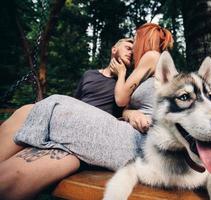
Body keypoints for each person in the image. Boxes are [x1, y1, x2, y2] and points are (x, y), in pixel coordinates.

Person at [0, 23, 173, 199]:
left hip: (138, 143)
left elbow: (121, 100)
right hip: (115, 136)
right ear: (114, 49)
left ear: (144, 39)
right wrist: (131, 114)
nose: (133, 46)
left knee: (47, 105)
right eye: (128, 44)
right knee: (13, 167)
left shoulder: (150, 58)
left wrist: (121, 74)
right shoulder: (102, 75)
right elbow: (127, 108)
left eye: (135, 40)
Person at [74, 38, 133, 117]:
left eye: (133, 52)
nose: (131, 53)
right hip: (78, 119)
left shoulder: (129, 83)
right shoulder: (89, 75)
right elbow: (75, 102)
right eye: (128, 48)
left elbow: (124, 106)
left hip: (104, 125)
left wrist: (121, 74)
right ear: (114, 50)